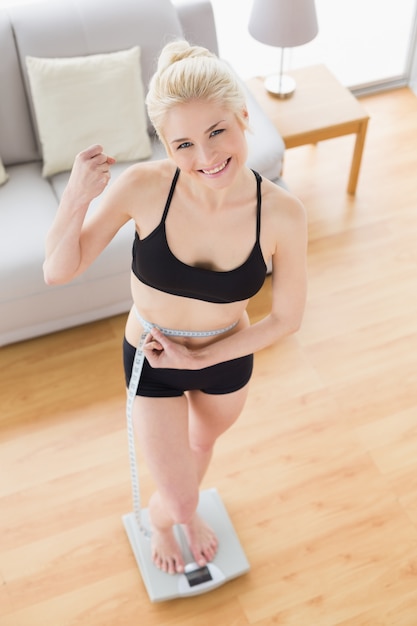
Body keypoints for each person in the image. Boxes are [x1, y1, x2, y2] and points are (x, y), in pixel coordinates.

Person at [43, 40, 307, 576]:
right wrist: (76, 199)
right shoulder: (144, 187)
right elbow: (58, 269)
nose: (206, 159)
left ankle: (182, 510)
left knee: (202, 442)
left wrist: (202, 362)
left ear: (242, 117)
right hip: (153, 355)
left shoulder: (282, 213)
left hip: (227, 355)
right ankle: (170, 519)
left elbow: (287, 319)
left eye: (217, 132)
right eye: (183, 143)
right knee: (182, 498)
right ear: (164, 143)